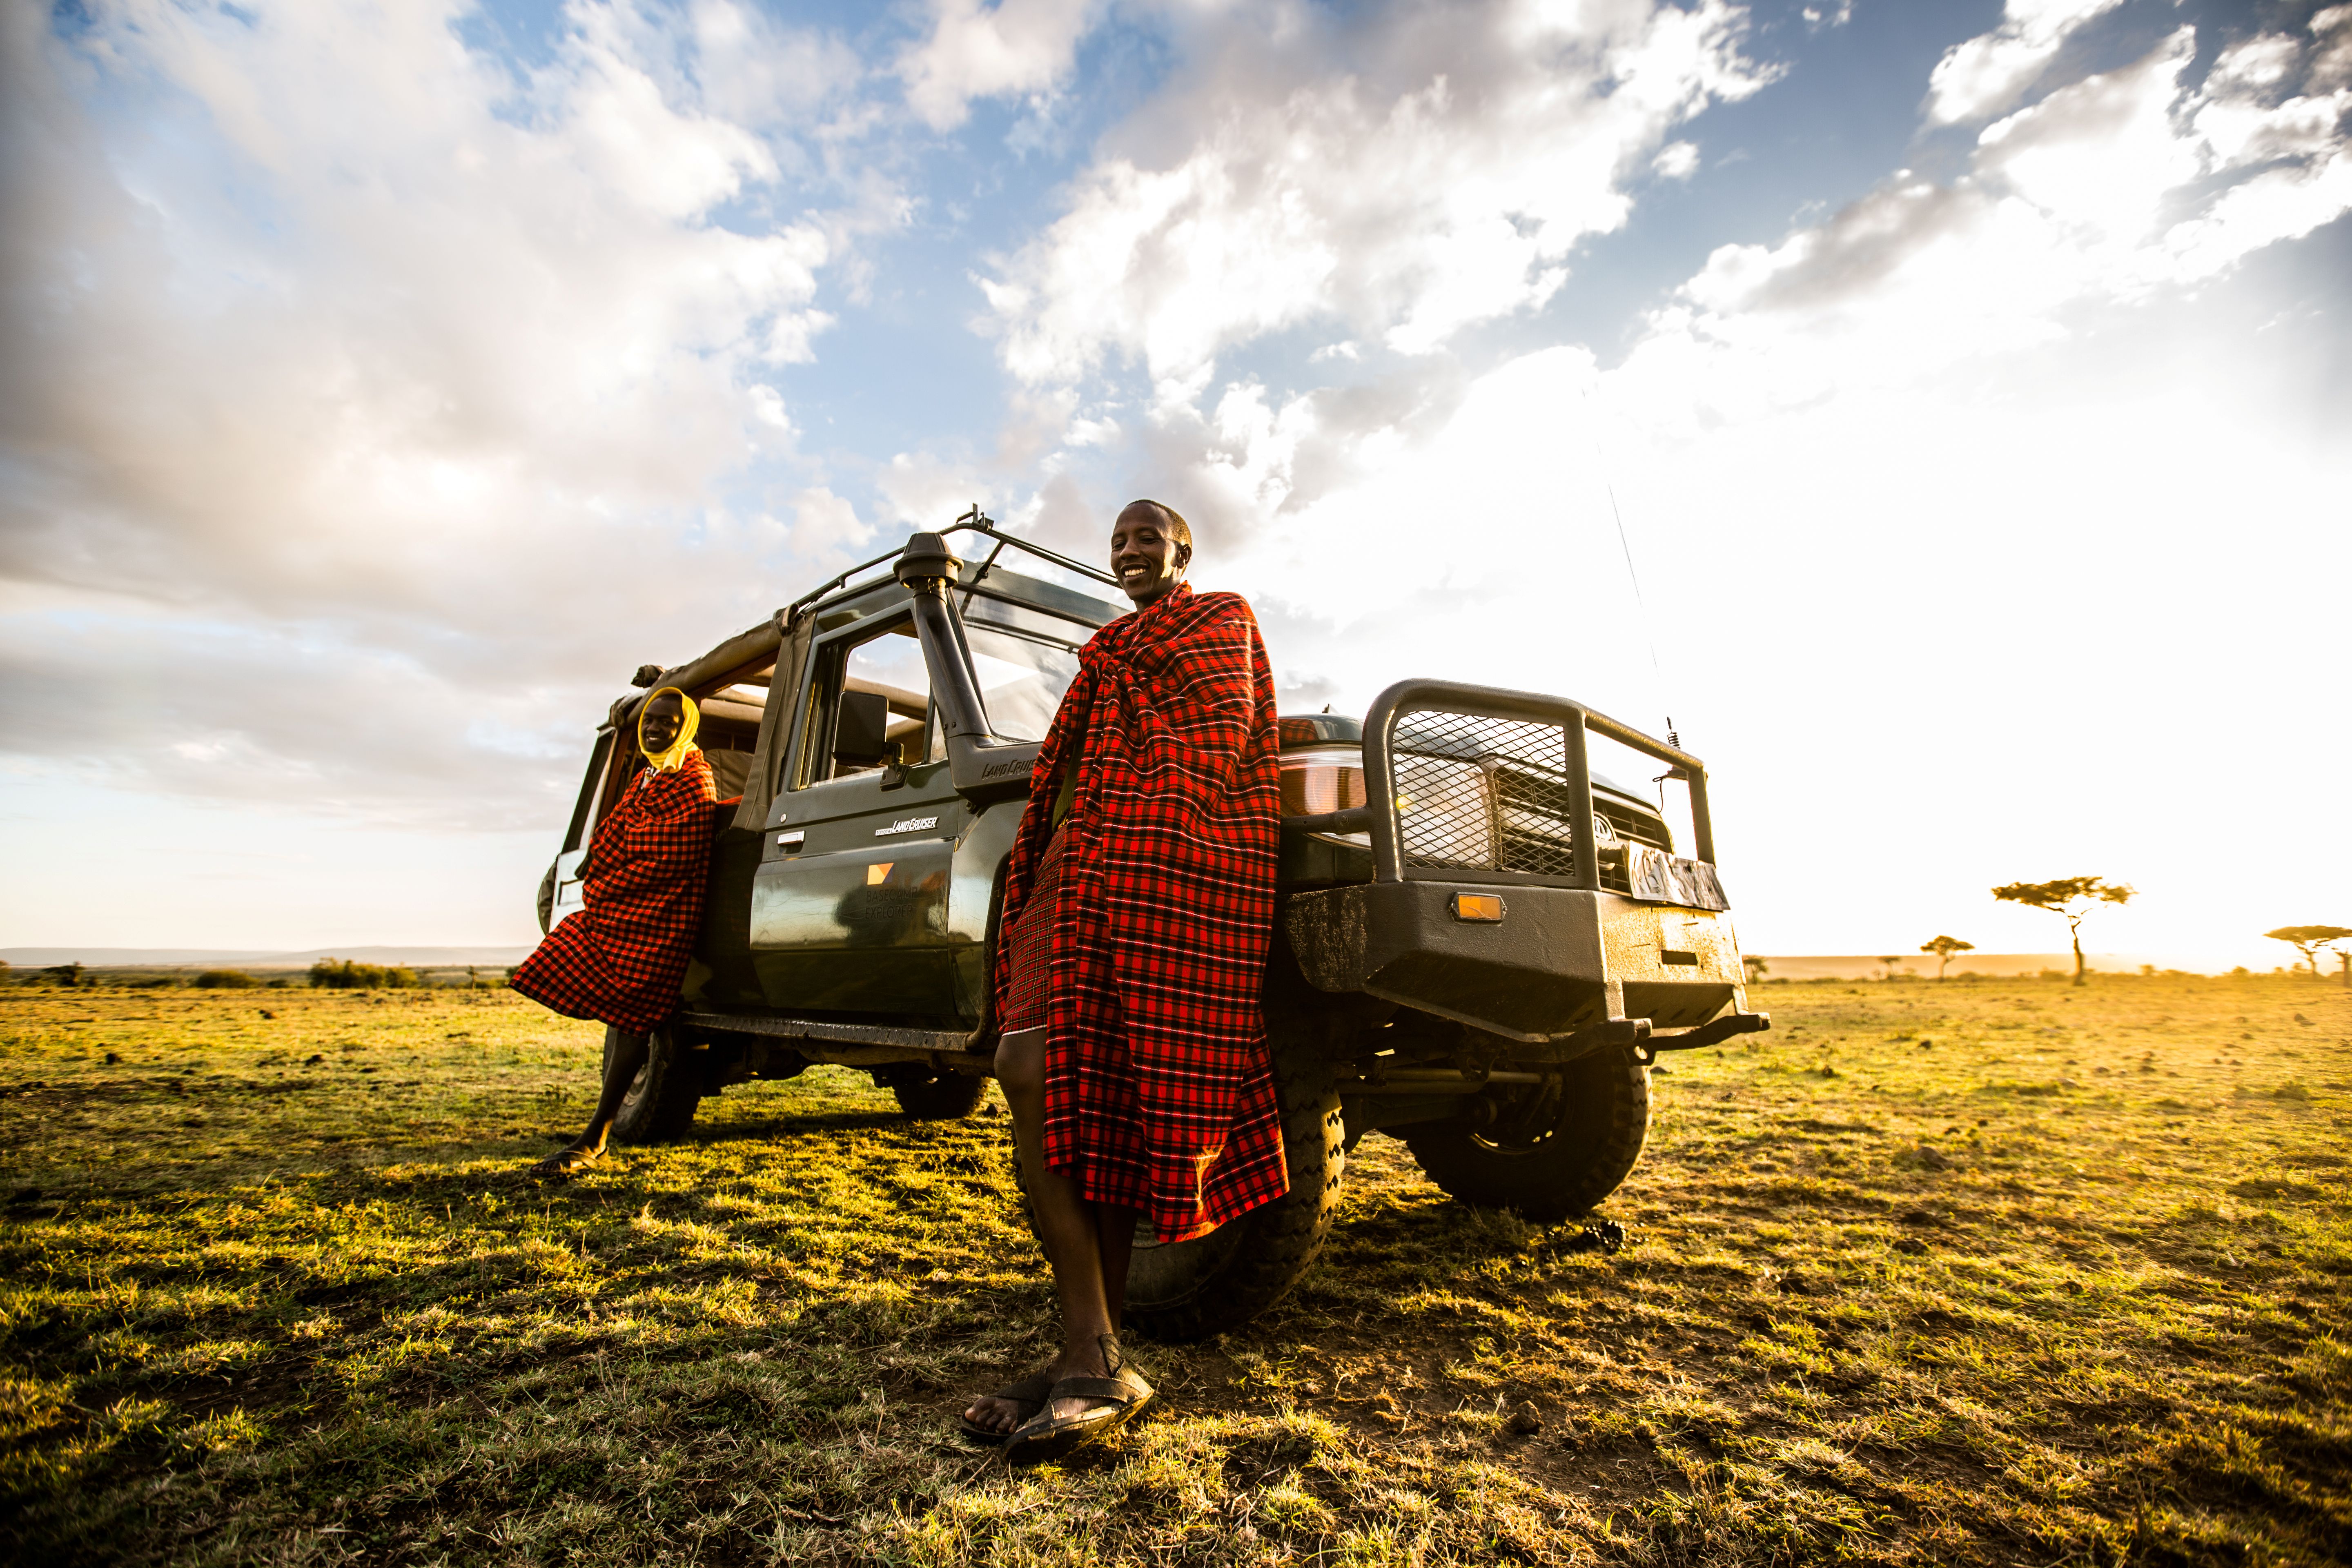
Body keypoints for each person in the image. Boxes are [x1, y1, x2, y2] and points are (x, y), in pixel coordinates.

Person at [959, 500, 1288, 1464]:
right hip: (1072, 865)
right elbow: (1073, 766)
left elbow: (1216, 734)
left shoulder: (1215, 619)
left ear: (1183, 549)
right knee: (1044, 1080)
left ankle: (1090, 1351)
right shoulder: (1106, 648)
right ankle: (1089, 1347)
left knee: (1059, 1088)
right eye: (1117, 538)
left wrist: (1147, 834)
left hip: (1149, 861)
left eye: (1146, 535)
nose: (1128, 547)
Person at [510, 686, 717, 1177]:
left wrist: (607, 875)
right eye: (650, 719)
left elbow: (671, 856)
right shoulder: (648, 777)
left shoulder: (694, 781)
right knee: (563, 958)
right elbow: (611, 832)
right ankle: (597, 1134)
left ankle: (597, 1136)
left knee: (631, 1020)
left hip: (663, 913)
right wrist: (608, 863)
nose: (654, 727)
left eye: (667, 721)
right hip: (627, 910)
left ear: (685, 726)